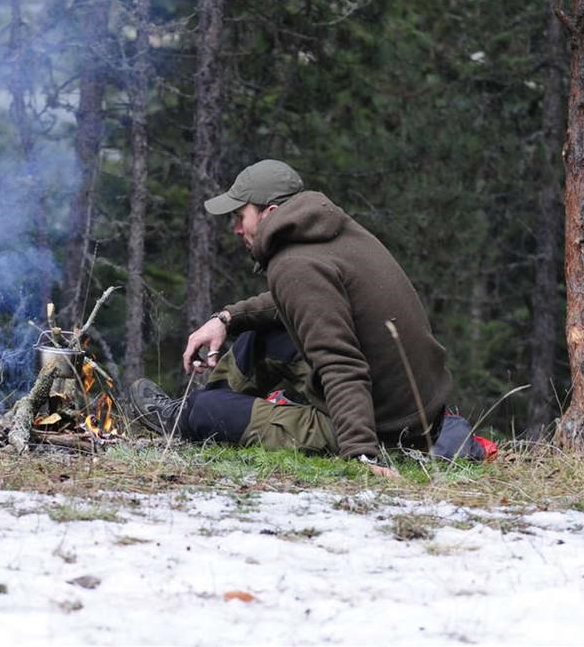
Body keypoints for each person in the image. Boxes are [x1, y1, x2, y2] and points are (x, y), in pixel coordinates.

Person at [129, 159, 495, 477]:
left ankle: (193, 416)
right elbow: (302, 302)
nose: (236, 229)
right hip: (412, 407)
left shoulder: (294, 265)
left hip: (384, 426)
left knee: (205, 410)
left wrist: (361, 455)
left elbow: (341, 363)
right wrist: (227, 319)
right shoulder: (335, 232)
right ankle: (202, 411)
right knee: (262, 333)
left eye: (240, 217)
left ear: (270, 212)